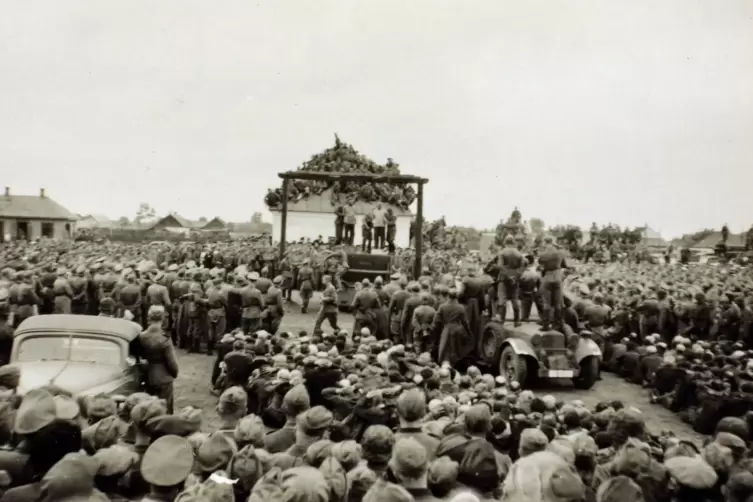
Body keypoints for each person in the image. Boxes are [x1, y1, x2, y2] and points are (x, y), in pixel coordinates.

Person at [138, 306, 179, 413]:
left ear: (149, 318)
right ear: (162, 318)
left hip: (148, 375)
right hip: (163, 376)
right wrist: (174, 373)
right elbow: (172, 362)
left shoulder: (142, 336)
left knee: (150, 408)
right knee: (166, 408)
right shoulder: (164, 338)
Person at [538, 235, 568, 331]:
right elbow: (565, 265)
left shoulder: (542, 254)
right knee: (558, 303)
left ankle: (546, 325)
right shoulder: (560, 253)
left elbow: (540, 266)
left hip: (548, 276)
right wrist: (558, 246)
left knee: (546, 303)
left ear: (544, 242)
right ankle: (558, 324)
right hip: (558, 276)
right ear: (553, 241)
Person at [497, 235, 525, 326]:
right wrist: (515, 276)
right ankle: (517, 321)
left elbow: (500, 266)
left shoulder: (502, 252)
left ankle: (502, 320)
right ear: (513, 242)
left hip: (503, 277)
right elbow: (522, 267)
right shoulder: (519, 253)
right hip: (515, 278)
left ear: (505, 242)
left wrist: (508, 276)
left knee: (502, 298)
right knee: (514, 299)